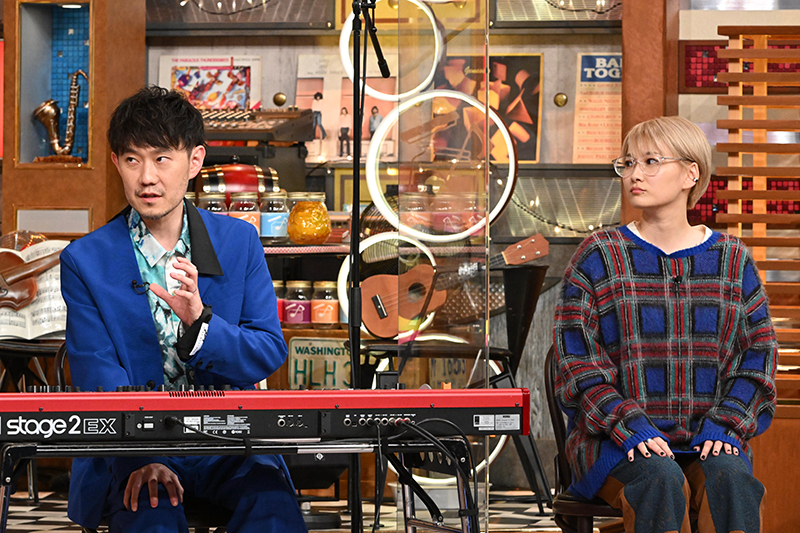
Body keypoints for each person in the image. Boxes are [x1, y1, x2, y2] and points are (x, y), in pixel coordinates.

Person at [60, 86, 307, 533]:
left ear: (194, 161)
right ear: (115, 163)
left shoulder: (238, 242)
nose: (146, 178)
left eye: (161, 159)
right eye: (132, 160)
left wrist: (201, 325)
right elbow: (97, 373)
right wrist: (142, 456)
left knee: (273, 511)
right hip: (135, 448)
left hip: (230, 442)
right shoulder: (86, 260)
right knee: (149, 512)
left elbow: (267, 350)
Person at [553, 116, 777, 533]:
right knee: (660, 478)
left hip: (709, 439)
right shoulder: (599, 255)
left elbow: (757, 358)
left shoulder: (732, 260)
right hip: (615, 441)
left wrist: (726, 424)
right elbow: (577, 366)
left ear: (691, 173)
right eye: (628, 163)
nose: (635, 174)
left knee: (732, 482)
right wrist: (629, 426)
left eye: (651, 161)